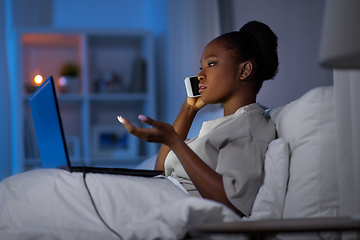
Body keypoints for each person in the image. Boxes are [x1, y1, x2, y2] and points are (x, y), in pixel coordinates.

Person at [118, 20, 278, 218]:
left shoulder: (249, 127)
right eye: (201, 67)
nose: (200, 75)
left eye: (211, 64)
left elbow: (233, 203)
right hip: (156, 196)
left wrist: (176, 142)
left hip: (165, 205)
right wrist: (189, 109)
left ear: (244, 70)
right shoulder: (225, 125)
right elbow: (159, 171)